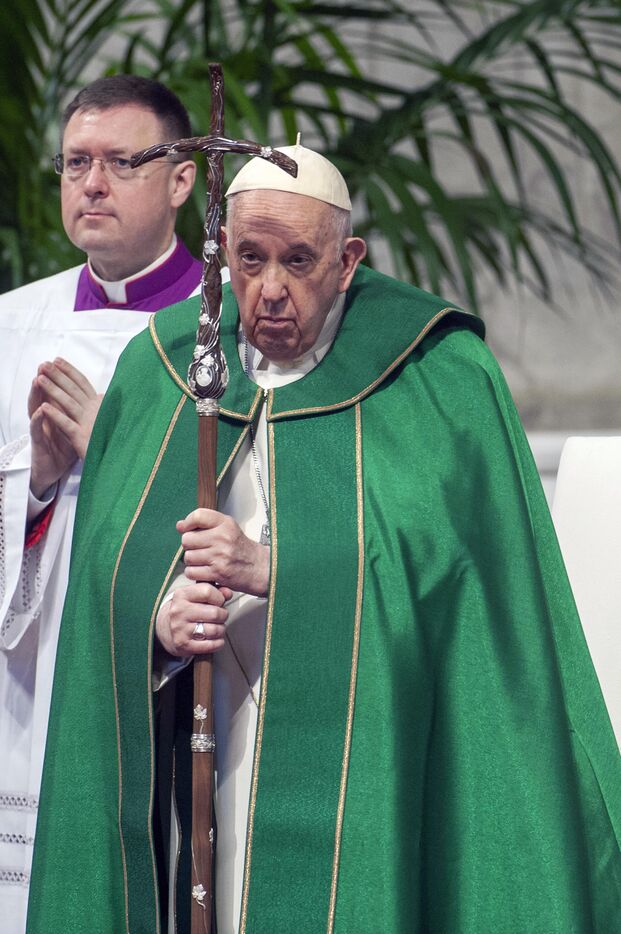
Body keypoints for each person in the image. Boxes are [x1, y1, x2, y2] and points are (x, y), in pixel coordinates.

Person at [27, 144, 620, 934]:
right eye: (249, 259)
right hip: (205, 742)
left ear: (346, 262)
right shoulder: (164, 365)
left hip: (371, 752)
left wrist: (276, 569)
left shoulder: (438, 374)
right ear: (221, 250)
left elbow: (464, 587)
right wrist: (158, 626)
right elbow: (108, 573)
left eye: (298, 261)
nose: (270, 288)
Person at [0, 74, 203, 931]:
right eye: (76, 162)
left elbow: (246, 506)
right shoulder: (13, 323)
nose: (92, 183)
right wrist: (39, 480)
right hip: (28, 677)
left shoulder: (227, 328)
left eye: (121, 162)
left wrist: (113, 453)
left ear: (182, 179)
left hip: (165, 677)